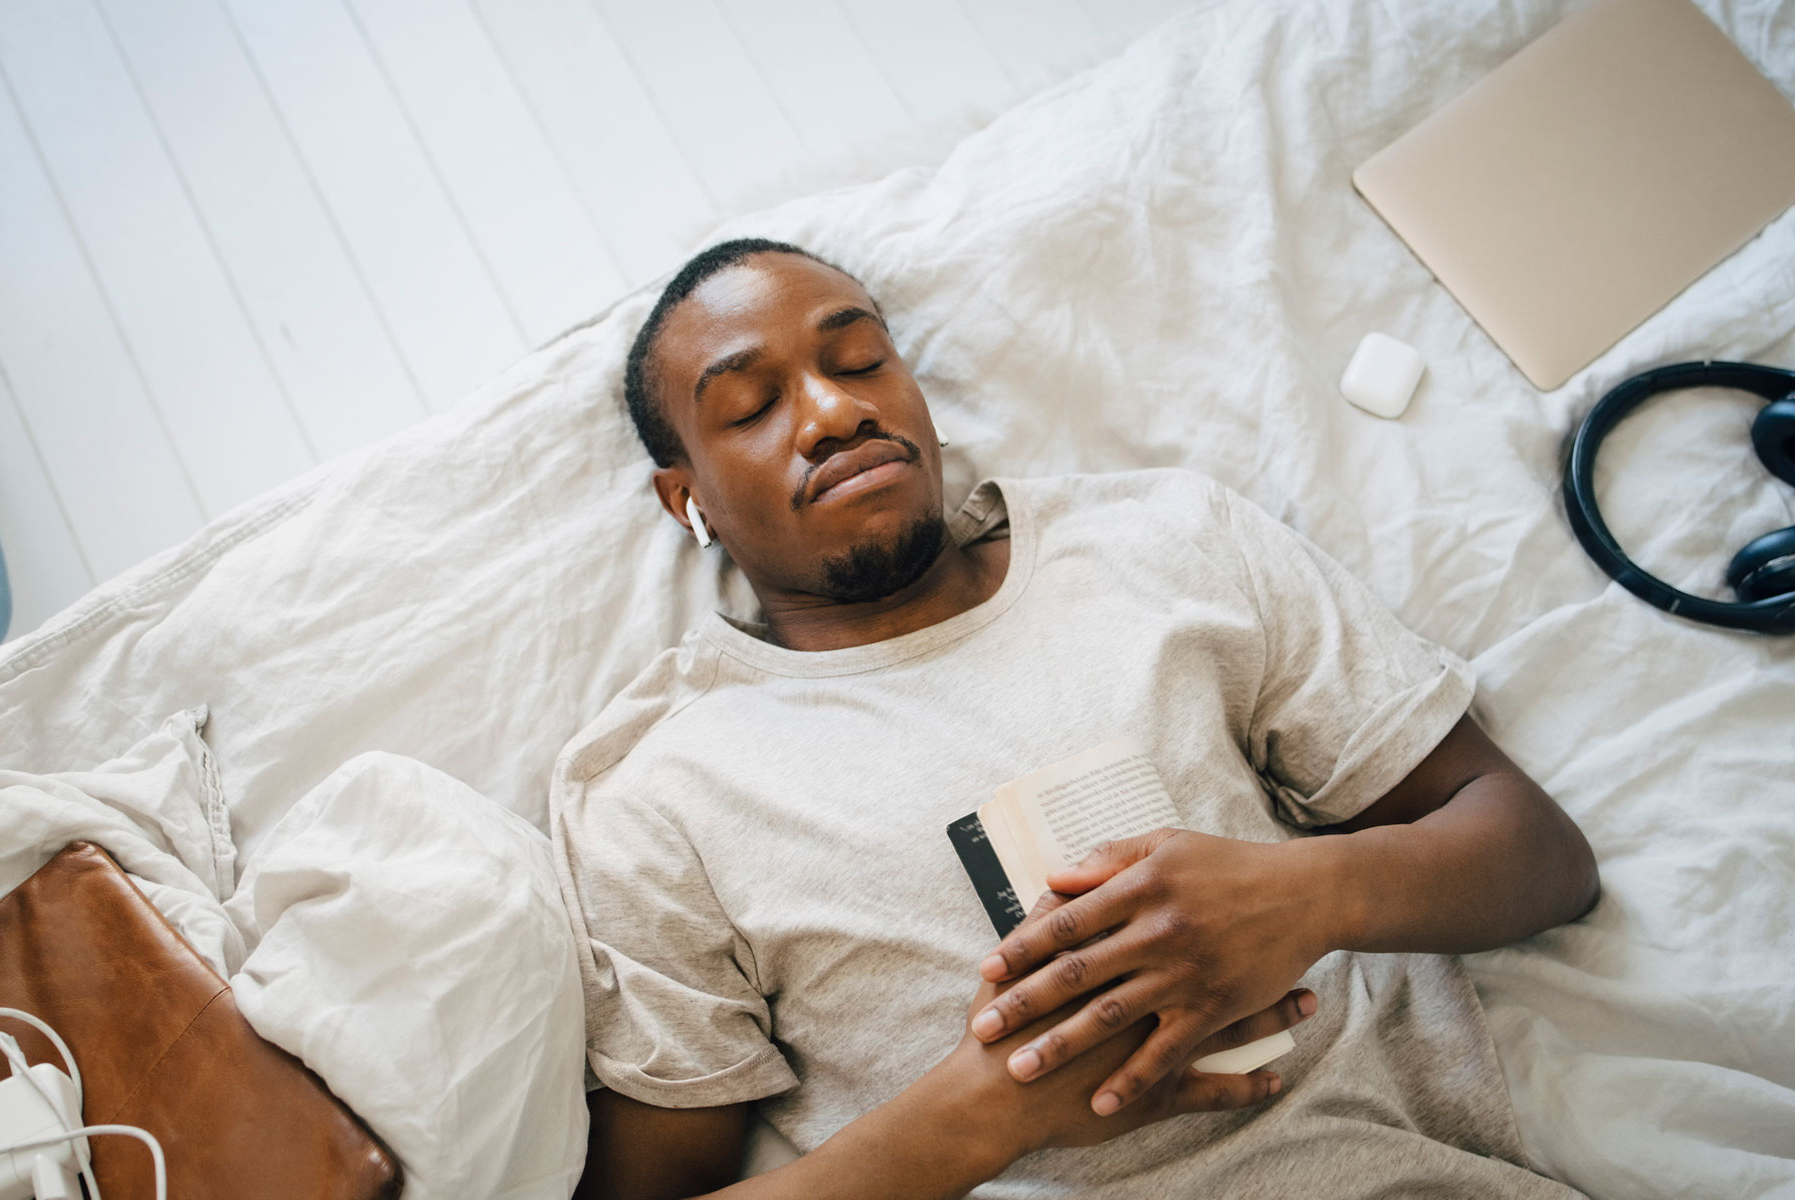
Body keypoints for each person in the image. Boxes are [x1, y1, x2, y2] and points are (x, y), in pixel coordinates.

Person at [549, 238, 1599, 1199]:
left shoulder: (1161, 543)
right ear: (684, 500)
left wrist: (1307, 898)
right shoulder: (660, 796)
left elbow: (1542, 857)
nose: (832, 412)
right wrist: (989, 1111)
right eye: (749, 407)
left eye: (861, 360)